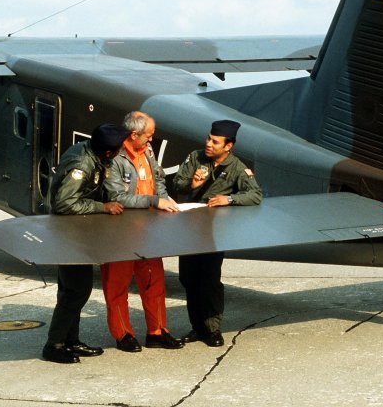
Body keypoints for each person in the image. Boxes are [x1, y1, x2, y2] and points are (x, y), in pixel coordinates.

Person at [42, 123, 130, 364]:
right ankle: (54, 344)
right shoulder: (82, 164)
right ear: (109, 152)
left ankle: (71, 341)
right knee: (75, 291)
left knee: (73, 290)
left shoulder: (94, 155)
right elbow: (63, 203)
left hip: (79, 232)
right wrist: (102, 207)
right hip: (69, 235)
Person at [173, 119, 263, 347]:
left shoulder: (236, 168)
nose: (209, 144)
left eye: (215, 141)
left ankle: (213, 330)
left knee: (210, 281)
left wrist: (229, 199)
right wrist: (192, 185)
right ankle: (197, 328)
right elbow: (177, 183)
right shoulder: (196, 158)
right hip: (190, 228)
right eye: (208, 139)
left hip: (214, 232)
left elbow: (255, 195)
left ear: (228, 146)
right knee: (188, 279)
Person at [102, 111, 184, 352]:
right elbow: (117, 197)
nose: (151, 140)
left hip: (148, 231)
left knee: (153, 281)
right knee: (117, 285)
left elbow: (158, 179)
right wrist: (154, 201)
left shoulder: (147, 152)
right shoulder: (114, 157)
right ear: (134, 134)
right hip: (120, 232)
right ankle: (123, 334)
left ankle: (157, 331)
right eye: (148, 136)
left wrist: (164, 198)